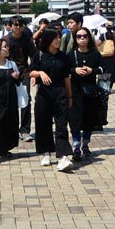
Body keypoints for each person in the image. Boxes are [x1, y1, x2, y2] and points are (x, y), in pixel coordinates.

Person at [29, 28, 75, 172]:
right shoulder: (40, 55)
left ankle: (63, 156)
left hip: (60, 92)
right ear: (48, 40)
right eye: (56, 38)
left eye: (59, 37)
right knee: (43, 123)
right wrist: (40, 73)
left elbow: (67, 77)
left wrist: (70, 96)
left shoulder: (64, 57)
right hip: (44, 94)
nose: (58, 40)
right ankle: (46, 152)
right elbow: (30, 72)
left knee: (62, 124)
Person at [68, 27, 102, 161]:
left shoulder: (95, 54)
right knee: (75, 118)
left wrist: (91, 71)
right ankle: (76, 145)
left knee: (88, 119)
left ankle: (86, 144)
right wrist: (74, 70)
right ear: (75, 39)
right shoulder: (71, 54)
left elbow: (102, 68)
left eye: (85, 36)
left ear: (89, 38)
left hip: (91, 91)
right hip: (75, 91)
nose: (82, 39)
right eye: (79, 36)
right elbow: (65, 70)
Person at [5, 16, 38, 142]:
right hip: (9, 73)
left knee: (25, 101)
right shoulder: (6, 40)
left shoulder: (27, 40)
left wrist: (32, 72)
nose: (18, 27)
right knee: (9, 101)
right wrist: (9, 72)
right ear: (11, 26)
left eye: (20, 25)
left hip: (24, 72)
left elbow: (34, 57)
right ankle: (11, 129)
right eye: (15, 25)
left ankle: (24, 130)